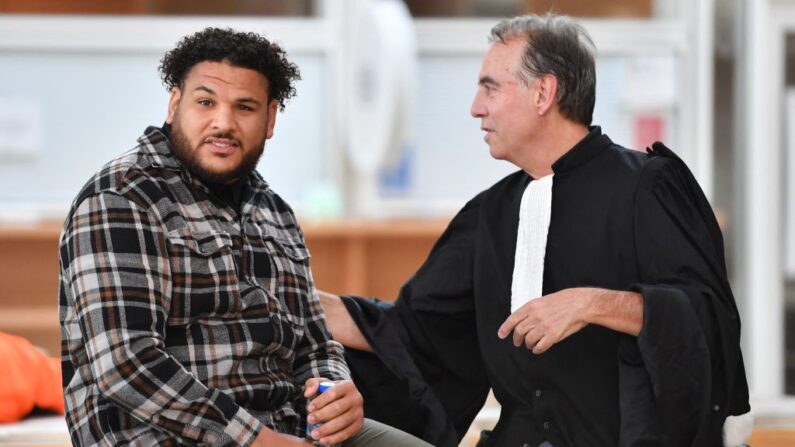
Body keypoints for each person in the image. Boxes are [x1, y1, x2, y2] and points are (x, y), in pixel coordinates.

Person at [320, 13, 752, 447]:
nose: (475, 107)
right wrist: (294, 298)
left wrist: (591, 303)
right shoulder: (490, 213)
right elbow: (411, 332)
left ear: (543, 93)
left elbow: (707, 320)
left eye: (490, 87)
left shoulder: (649, 186)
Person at [58, 27, 430, 447]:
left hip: (288, 427)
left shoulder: (274, 211)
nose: (223, 122)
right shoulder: (122, 197)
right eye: (205, 102)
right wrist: (257, 440)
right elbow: (124, 364)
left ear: (270, 119)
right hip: (166, 437)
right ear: (174, 104)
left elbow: (313, 339)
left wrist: (335, 390)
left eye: (245, 107)